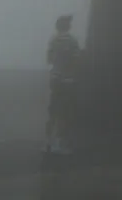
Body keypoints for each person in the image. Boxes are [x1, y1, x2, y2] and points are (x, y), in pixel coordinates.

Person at [44, 14, 82, 155]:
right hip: (68, 80)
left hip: (55, 79)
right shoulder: (72, 41)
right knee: (64, 111)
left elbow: (49, 59)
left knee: (53, 110)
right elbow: (77, 60)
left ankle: (48, 142)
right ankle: (60, 143)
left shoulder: (53, 40)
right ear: (68, 26)